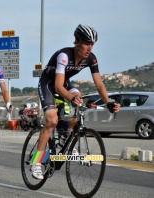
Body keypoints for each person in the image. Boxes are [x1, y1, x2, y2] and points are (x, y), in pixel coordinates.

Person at [32, 24, 121, 180]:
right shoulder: (64, 56)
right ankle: (37, 162)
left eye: (92, 44)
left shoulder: (91, 58)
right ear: (77, 42)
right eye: (87, 43)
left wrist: (108, 102)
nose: (89, 47)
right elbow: (58, 86)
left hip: (64, 83)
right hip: (49, 83)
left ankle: (63, 140)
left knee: (78, 103)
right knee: (52, 120)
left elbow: (99, 84)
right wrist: (70, 98)